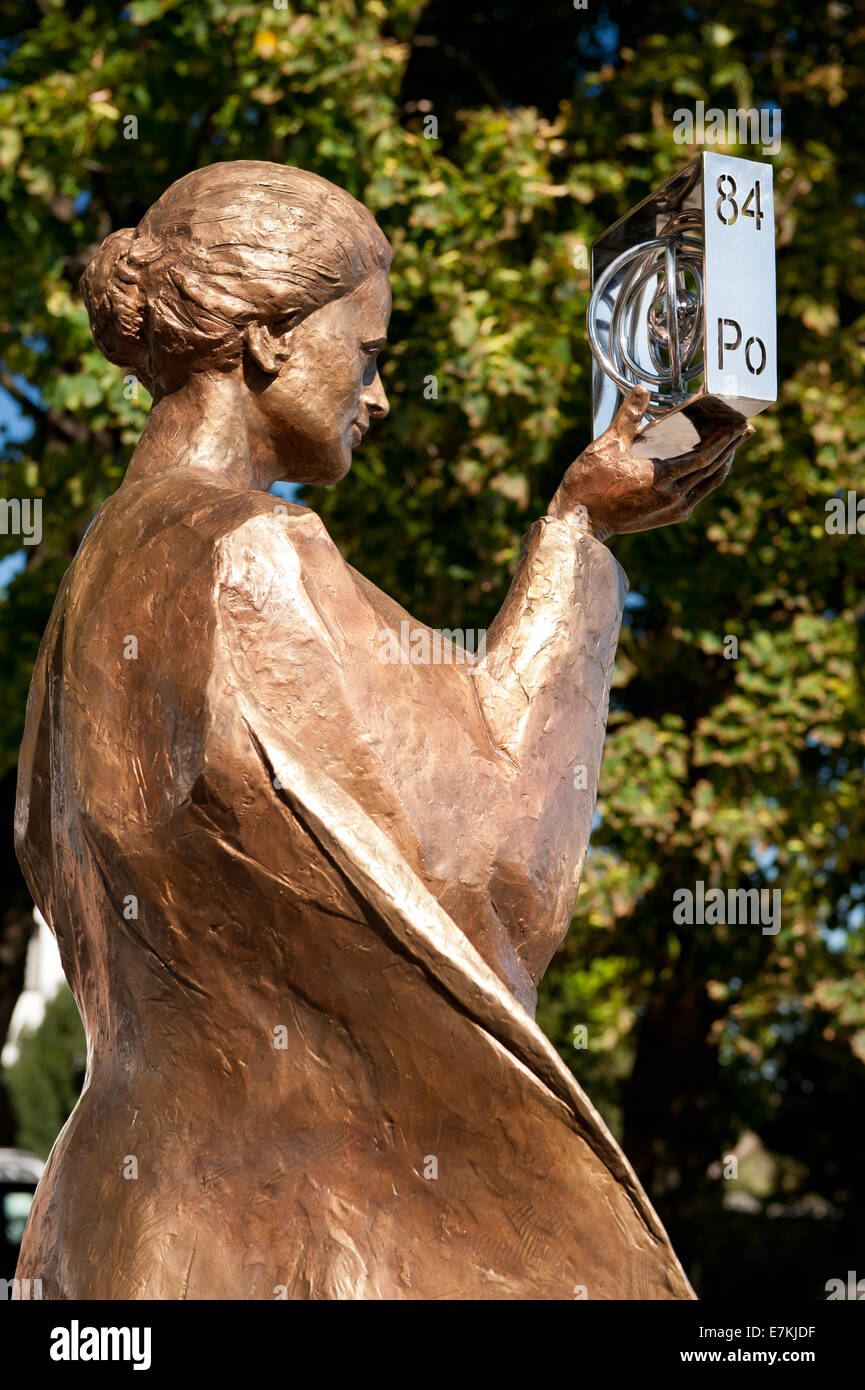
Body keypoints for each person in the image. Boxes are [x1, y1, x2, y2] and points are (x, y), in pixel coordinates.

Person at [14, 162, 748, 1299]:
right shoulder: (252, 551)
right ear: (266, 341)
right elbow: (486, 870)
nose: (380, 392)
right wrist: (579, 538)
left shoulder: (92, 578)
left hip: (125, 1224)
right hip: (300, 1231)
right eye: (365, 352)